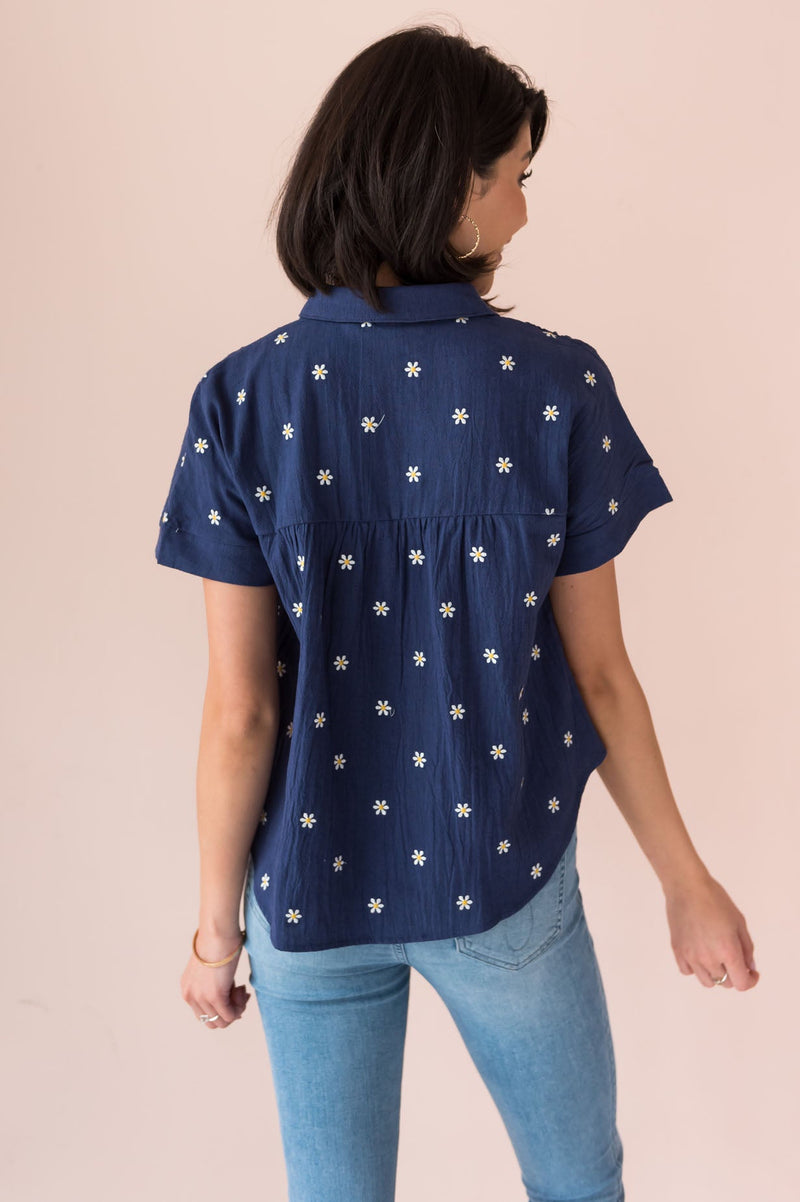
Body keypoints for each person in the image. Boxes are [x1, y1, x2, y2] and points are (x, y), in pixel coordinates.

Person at [154, 22, 759, 1202]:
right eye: (514, 177)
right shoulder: (554, 384)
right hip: (500, 871)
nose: (523, 211)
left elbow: (239, 712)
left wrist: (214, 934)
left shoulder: (241, 396)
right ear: (449, 188)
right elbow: (600, 675)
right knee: (578, 1183)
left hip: (306, 889)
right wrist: (685, 880)